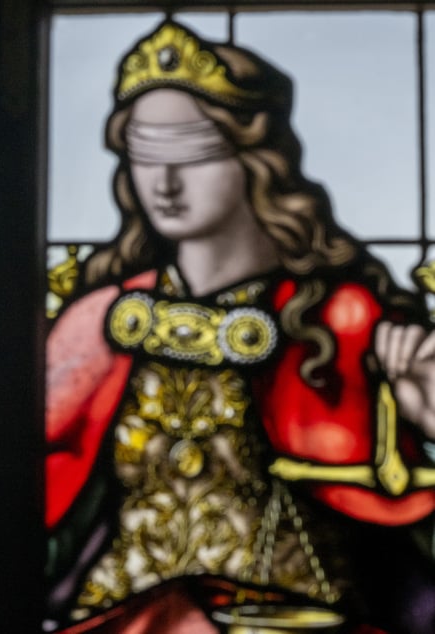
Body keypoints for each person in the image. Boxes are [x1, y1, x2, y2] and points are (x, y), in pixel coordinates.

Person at [45, 21, 435, 634]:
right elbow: (25, 498)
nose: (164, 184)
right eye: (145, 155)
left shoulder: (336, 320)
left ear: (254, 156)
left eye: (191, 153)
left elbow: (400, 521)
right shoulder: (96, 322)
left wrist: (426, 424)